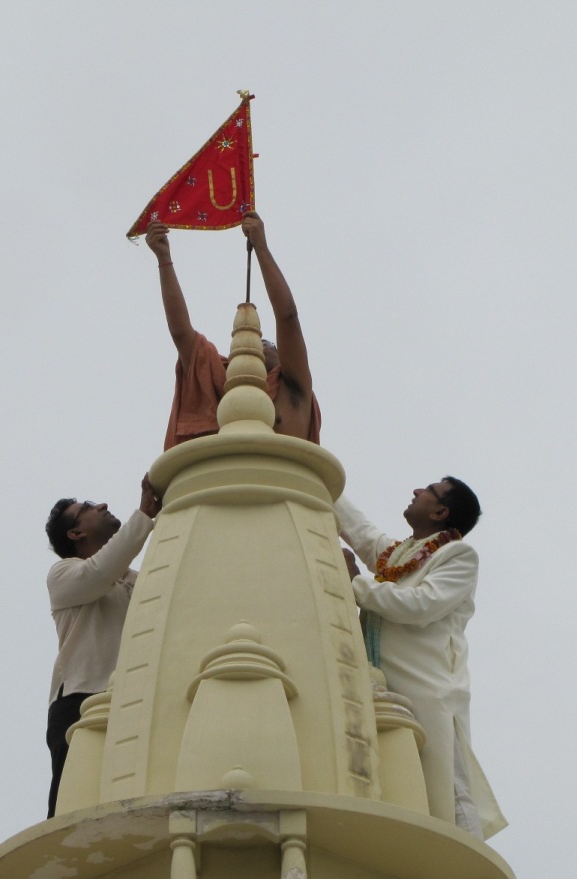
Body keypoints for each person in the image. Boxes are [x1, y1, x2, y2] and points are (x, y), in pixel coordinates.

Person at [336, 478, 507, 840]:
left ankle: (465, 865)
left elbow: (419, 606)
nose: (415, 491)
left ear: (440, 511)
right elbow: (359, 530)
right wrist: (315, 466)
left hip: (428, 687)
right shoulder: (401, 555)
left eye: (428, 490)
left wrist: (355, 582)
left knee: (444, 779)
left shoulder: (457, 556)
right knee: (390, 774)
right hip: (379, 681)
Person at [145, 212, 320, 448]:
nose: (262, 344)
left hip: (277, 483)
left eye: (269, 343)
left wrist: (261, 247)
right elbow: (181, 335)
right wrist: (164, 258)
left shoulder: (295, 391)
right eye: (262, 342)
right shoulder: (220, 388)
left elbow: (288, 317)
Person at [43, 475, 161, 817]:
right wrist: (145, 516)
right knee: (71, 811)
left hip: (129, 702)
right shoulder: (63, 575)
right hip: (79, 702)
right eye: (88, 508)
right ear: (75, 534)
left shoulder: (134, 580)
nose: (103, 505)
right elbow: (99, 572)